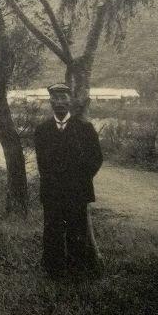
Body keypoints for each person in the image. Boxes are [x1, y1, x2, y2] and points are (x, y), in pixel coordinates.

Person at [33, 83, 103, 279]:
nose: (60, 103)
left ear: (70, 101)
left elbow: (96, 159)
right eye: (56, 99)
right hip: (52, 192)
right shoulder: (42, 130)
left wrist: (80, 180)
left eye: (64, 98)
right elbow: (42, 163)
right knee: (52, 230)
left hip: (77, 192)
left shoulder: (85, 129)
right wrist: (54, 181)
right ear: (50, 102)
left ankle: (76, 271)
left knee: (76, 230)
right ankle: (53, 271)